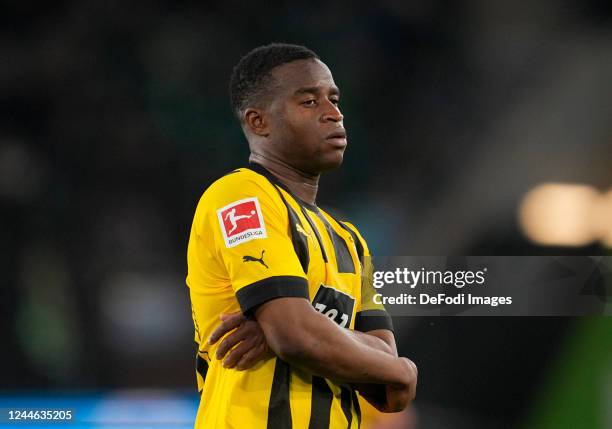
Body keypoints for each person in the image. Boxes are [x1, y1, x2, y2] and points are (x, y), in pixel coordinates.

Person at [186, 43, 418, 429]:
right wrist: (299, 330)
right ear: (259, 122)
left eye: (334, 99)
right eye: (309, 102)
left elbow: (391, 388)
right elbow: (296, 336)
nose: (334, 114)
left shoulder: (349, 239)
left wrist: (298, 325)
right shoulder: (241, 196)